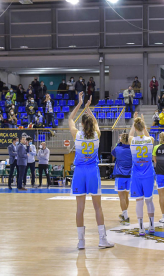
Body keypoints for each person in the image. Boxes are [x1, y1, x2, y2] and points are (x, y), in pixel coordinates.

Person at [68, 92, 113, 249]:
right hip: (93, 172)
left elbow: (70, 119)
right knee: (97, 207)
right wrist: (89, 108)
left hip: (80, 172)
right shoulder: (97, 135)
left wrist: (80, 104)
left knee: (80, 209)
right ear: (92, 125)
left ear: (81, 125)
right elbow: (95, 122)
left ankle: (81, 242)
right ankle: (102, 239)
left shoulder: (77, 135)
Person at [128, 112, 155, 236]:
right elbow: (148, 136)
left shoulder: (131, 140)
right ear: (144, 127)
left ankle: (140, 228)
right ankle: (152, 226)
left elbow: (130, 134)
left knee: (139, 201)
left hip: (137, 175)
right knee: (149, 200)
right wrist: (143, 125)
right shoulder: (150, 140)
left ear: (135, 126)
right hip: (148, 174)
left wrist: (135, 122)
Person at [111, 133, 132, 226]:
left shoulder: (118, 149)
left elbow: (113, 154)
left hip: (120, 175)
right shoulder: (132, 149)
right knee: (126, 196)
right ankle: (125, 214)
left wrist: (119, 144)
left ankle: (126, 217)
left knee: (122, 197)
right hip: (130, 175)